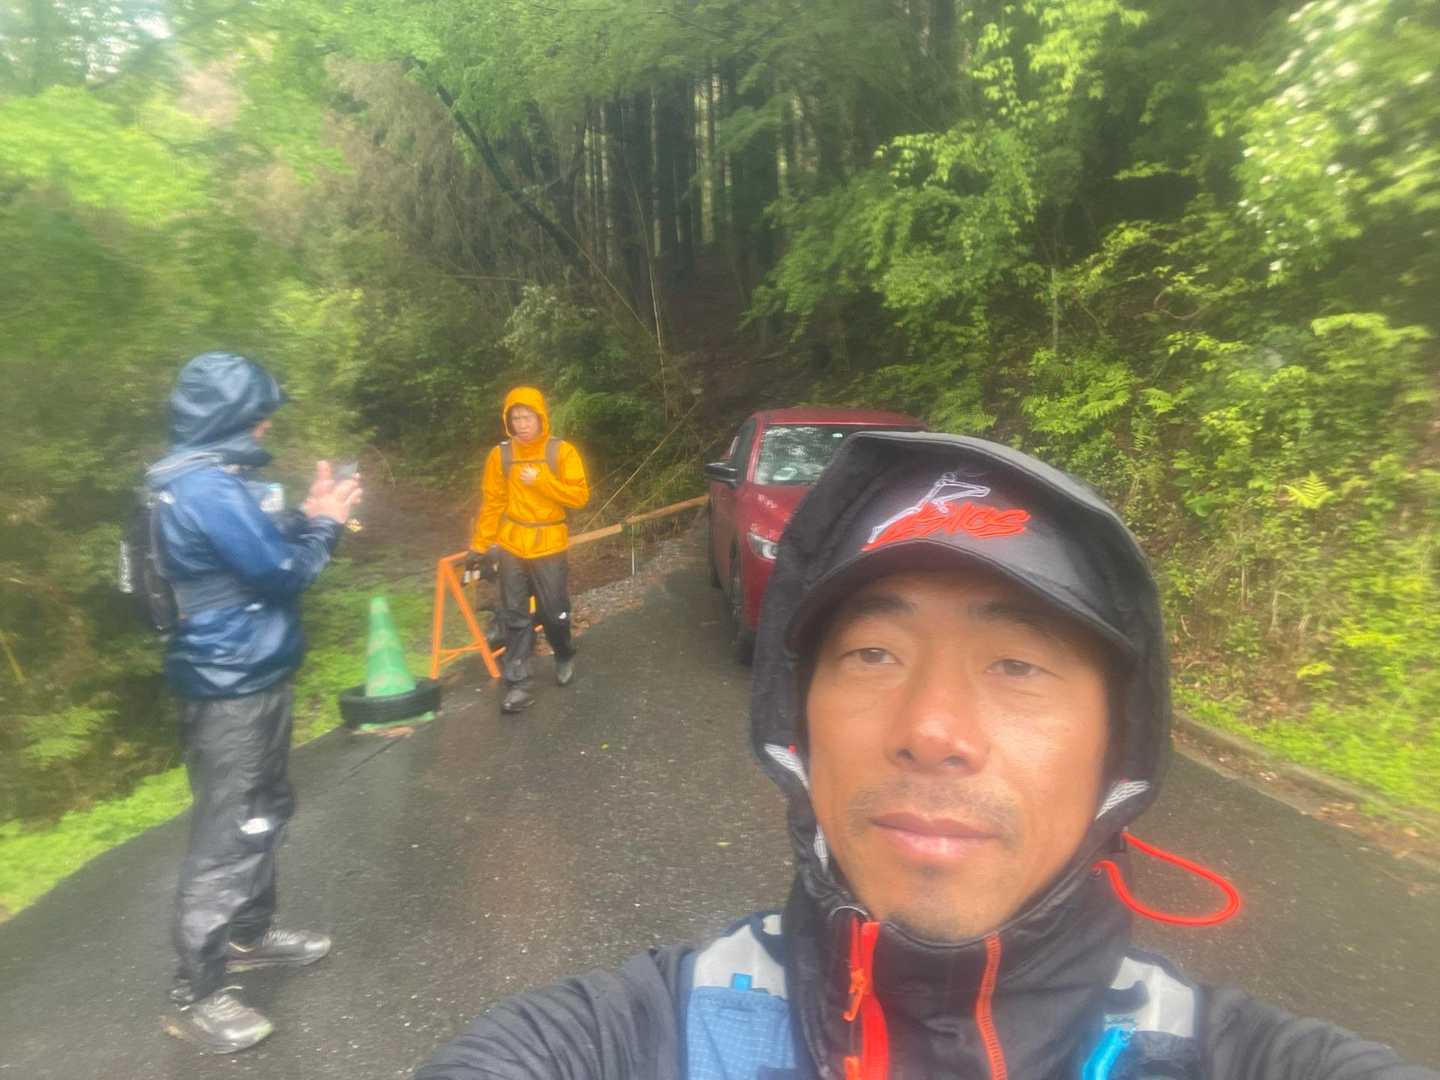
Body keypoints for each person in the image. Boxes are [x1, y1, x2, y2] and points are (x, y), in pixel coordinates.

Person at [415, 431, 1437, 1079]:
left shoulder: (1231, 1059)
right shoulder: (637, 1039)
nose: (932, 729)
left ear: (1115, 751)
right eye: (872, 653)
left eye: (1018, 664)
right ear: (798, 727)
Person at [148, 352, 362, 1054]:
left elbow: (256, 549)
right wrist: (328, 524)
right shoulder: (205, 486)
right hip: (228, 686)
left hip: (251, 674)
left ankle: (249, 935)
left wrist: (307, 514)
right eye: (259, 413)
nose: (267, 425)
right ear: (231, 415)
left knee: (264, 810)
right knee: (228, 834)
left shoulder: (214, 482)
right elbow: (281, 573)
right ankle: (195, 994)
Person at [468, 386, 589, 714]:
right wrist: (479, 545)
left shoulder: (561, 452)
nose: (521, 424)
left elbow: (579, 496)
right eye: (516, 418)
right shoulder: (501, 455)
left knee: (554, 611)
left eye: (527, 417)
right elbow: (493, 502)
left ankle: (563, 651)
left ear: (540, 417)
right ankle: (518, 683)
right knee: (515, 615)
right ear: (508, 421)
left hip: (549, 543)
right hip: (512, 544)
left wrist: (542, 481)